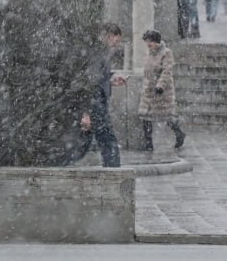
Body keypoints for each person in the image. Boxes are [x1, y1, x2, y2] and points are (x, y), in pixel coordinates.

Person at [77, 22, 127, 167]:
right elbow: (89, 82)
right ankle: (113, 171)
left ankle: (111, 169)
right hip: (95, 102)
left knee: (97, 140)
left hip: (97, 101)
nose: (116, 43)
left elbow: (99, 77)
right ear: (108, 36)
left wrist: (111, 80)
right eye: (116, 39)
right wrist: (86, 112)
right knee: (107, 140)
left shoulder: (101, 52)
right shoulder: (96, 53)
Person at [138, 30, 186, 151]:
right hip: (148, 91)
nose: (148, 44)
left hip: (162, 92)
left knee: (168, 116)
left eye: (150, 41)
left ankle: (179, 134)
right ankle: (148, 143)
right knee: (146, 117)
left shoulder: (166, 53)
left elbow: (167, 71)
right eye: (146, 41)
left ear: (156, 41)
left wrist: (160, 86)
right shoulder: (149, 53)